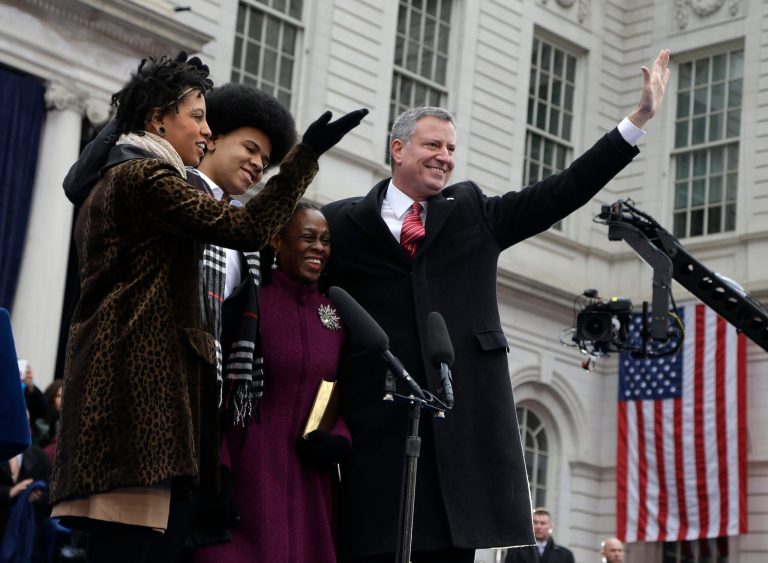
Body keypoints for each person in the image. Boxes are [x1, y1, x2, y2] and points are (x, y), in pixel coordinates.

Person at [321, 48, 671, 562]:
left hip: (458, 435)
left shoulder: (471, 213)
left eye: (451, 147)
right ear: (398, 149)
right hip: (379, 436)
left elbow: (561, 191)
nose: (445, 156)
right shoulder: (342, 225)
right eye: (432, 145)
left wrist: (635, 121)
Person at [49, 52, 365, 562]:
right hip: (139, 415)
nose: (203, 128)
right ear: (157, 118)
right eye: (197, 116)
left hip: (170, 422)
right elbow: (243, 229)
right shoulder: (145, 178)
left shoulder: (136, 176)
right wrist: (305, 157)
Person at [194, 202, 348, 562]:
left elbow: (343, 391)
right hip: (250, 476)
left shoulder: (336, 317)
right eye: (307, 237)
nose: (319, 247)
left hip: (311, 485)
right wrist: (219, 470)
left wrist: (338, 439)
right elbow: (219, 392)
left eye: (325, 240)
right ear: (277, 241)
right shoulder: (249, 302)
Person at [504, 509, 574, 563]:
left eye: (543, 523)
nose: (538, 526)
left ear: (551, 526)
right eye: (535, 522)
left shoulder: (565, 555)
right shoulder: (515, 552)